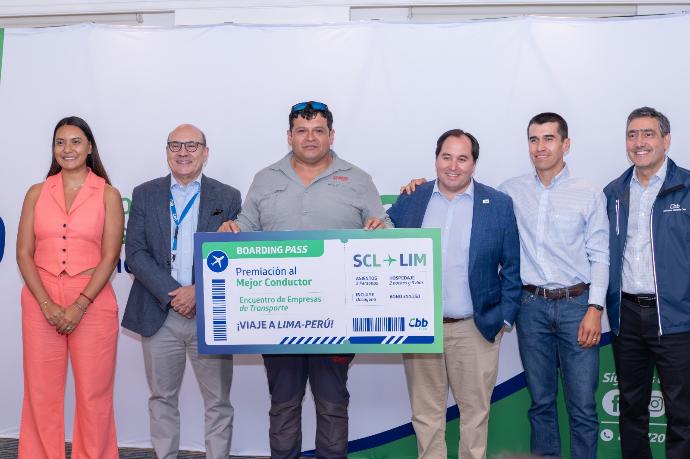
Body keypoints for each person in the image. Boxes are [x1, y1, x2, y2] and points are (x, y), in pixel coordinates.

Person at [400, 113, 609, 459]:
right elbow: (385, 233)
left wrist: (594, 307)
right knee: (538, 403)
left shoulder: (580, 193)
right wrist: (412, 188)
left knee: (581, 405)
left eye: (548, 139)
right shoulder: (504, 192)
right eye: (533, 139)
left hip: (569, 307)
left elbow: (596, 255)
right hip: (511, 311)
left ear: (566, 144)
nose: (540, 147)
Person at [219, 101, 390, 459]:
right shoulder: (265, 179)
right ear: (289, 136)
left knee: (332, 405)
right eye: (302, 130)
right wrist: (231, 230)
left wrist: (381, 228)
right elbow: (245, 228)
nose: (310, 138)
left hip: (338, 321)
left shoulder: (358, 179)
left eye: (318, 131)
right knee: (283, 406)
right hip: (278, 319)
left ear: (331, 135)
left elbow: (383, 228)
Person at [387, 129, 521, 459]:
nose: (453, 166)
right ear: (436, 159)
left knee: (475, 415)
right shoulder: (412, 199)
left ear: (474, 163)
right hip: (421, 328)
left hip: (474, 328)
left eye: (462, 158)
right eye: (446, 157)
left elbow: (513, 268)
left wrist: (503, 319)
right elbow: (383, 242)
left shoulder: (498, 204)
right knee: (426, 416)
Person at [121, 124, 241, 459]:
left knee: (218, 401)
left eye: (192, 145)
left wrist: (197, 292)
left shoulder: (228, 196)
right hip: (160, 311)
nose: (183, 152)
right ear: (167, 152)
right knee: (162, 398)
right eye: (175, 145)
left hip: (210, 314)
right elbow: (136, 253)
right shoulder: (145, 193)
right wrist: (176, 293)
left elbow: (232, 256)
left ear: (205, 152)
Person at [16, 116, 124, 458]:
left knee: (94, 394)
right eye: (60, 142)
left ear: (90, 147)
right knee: (40, 392)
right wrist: (46, 304)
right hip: (40, 298)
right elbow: (23, 252)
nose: (67, 149)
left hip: (92, 299)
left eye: (76, 141)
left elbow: (110, 256)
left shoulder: (108, 194)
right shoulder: (36, 192)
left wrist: (80, 304)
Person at [604, 106, 690, 459]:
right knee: (631, 408)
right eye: (632, 134)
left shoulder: (686, 188)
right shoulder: (613, 192)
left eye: (648, 134)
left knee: (682, 412)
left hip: (676, 317)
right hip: (626, 316)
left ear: (666, 140)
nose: (639, 142)